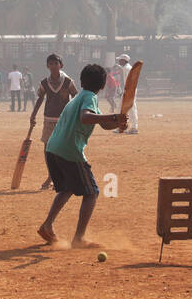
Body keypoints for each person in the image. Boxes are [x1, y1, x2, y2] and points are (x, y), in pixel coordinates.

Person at [37, 63, 127, 248]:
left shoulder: (80, 96)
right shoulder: (90, 98)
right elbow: (86, 117)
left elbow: (101, 123)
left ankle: (47, 226)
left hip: (53, 148)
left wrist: (116, 123)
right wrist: (112, 117)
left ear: (82, 81)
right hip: (70, 150)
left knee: (67, 188)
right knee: (91, 193)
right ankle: (79, 238)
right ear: (102, 85)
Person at [29, 54, 78, 190]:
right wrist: (33, 115)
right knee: (48, 150)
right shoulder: (44, 82)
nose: (53, 66)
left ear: (61, 65)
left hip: (64, 120)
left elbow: (75, 96)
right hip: (48, 119)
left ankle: (63, 176)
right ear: (47, 66)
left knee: (63, 149)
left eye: (55, 63)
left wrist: (74, 112)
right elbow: (40, 99)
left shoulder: (68, 82)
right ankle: (51, 176)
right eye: (50, 64)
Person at [116, 52, 138, 134]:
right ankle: (122, 127)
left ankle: (133, 128)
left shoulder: (127, 68)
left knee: (131, 109)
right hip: (128, 90)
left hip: (130, 90)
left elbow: (131, 81)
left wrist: (127, 91)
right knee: (121, 108)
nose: (119, 62)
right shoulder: (126, 68)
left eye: (120, 60)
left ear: (124, 61)